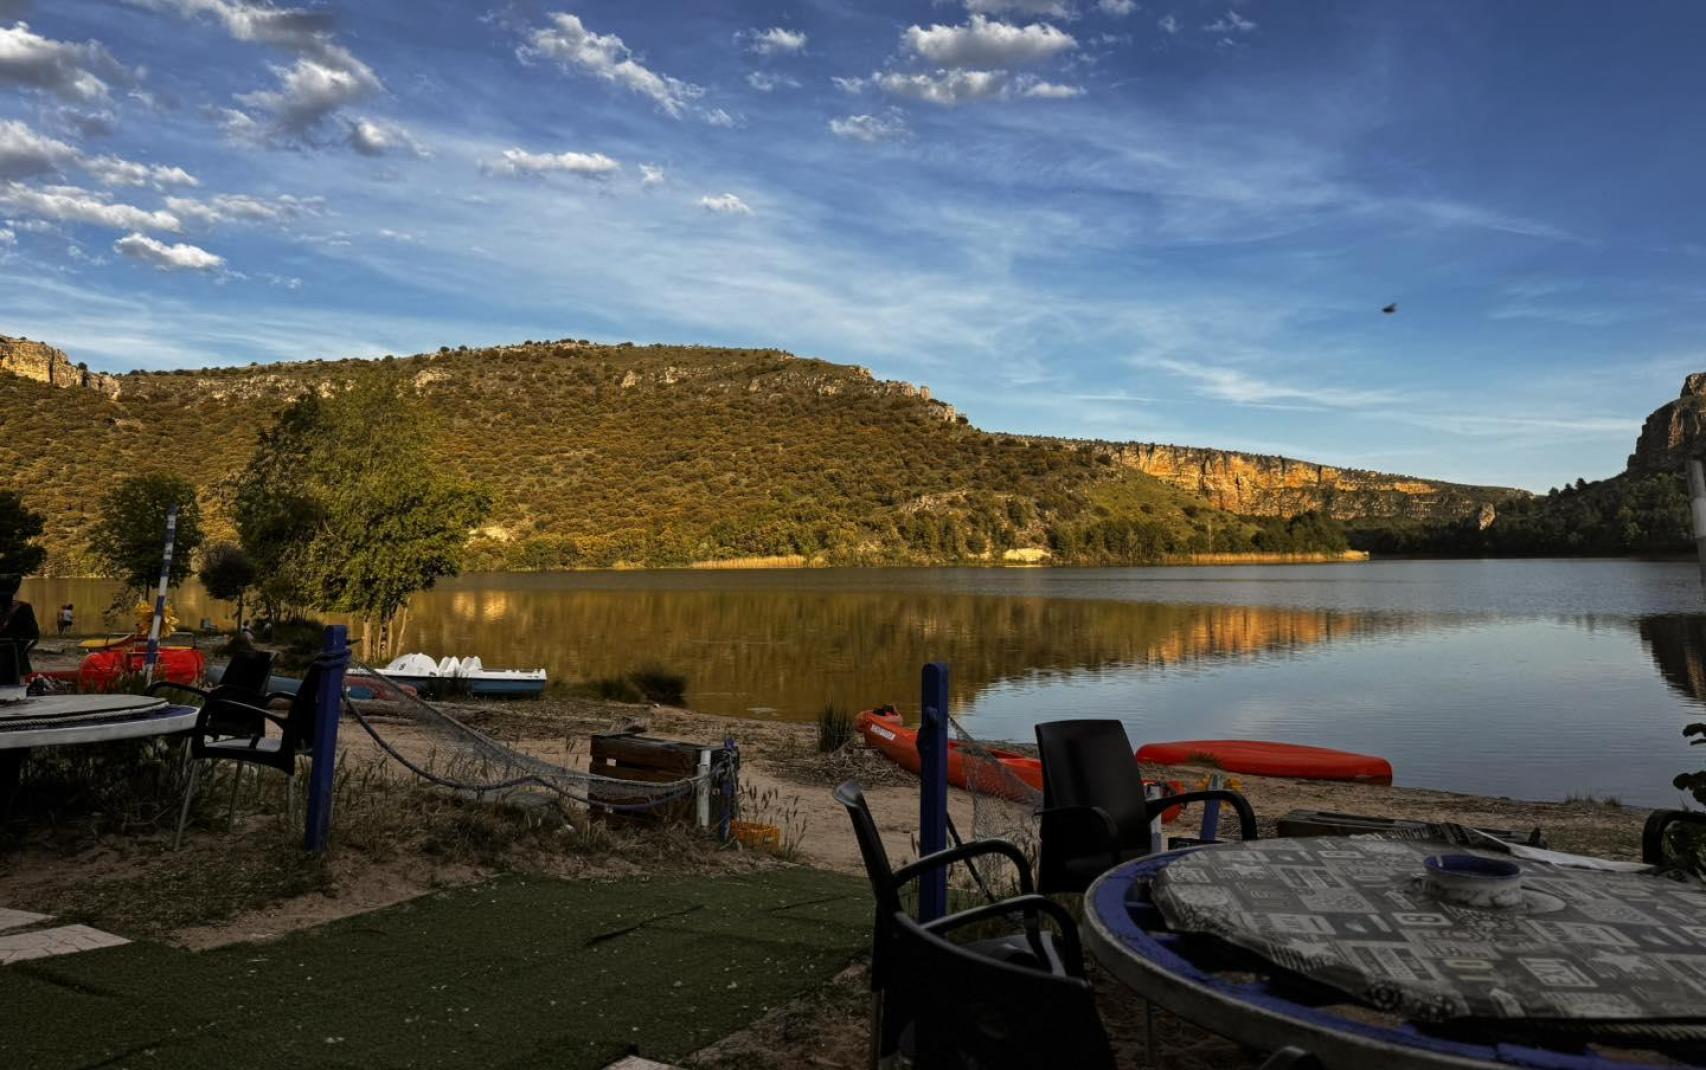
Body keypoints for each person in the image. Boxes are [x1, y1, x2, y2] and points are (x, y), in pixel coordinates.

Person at [0, 574, 40, 681]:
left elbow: (34, 635)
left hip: (16, 659)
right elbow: (34, 635)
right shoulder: (24, 608)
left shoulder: (23, 608)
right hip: (17, 659)